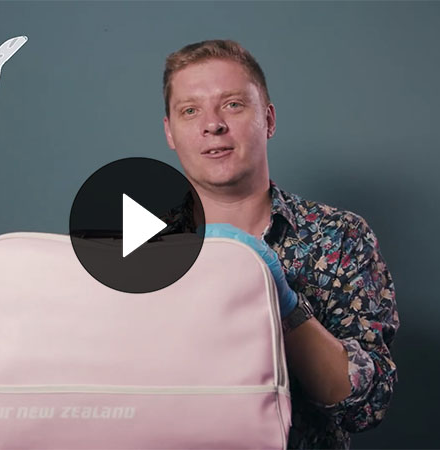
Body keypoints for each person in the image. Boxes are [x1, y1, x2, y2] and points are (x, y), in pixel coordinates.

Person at [160, 40, 399, 449]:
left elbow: (366, 408)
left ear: (268, 120)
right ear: (170, 132)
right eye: (190, 110)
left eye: (233, 104)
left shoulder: (341, 236)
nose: (212, 124)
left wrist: (285, 306)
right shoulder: (140, 247)